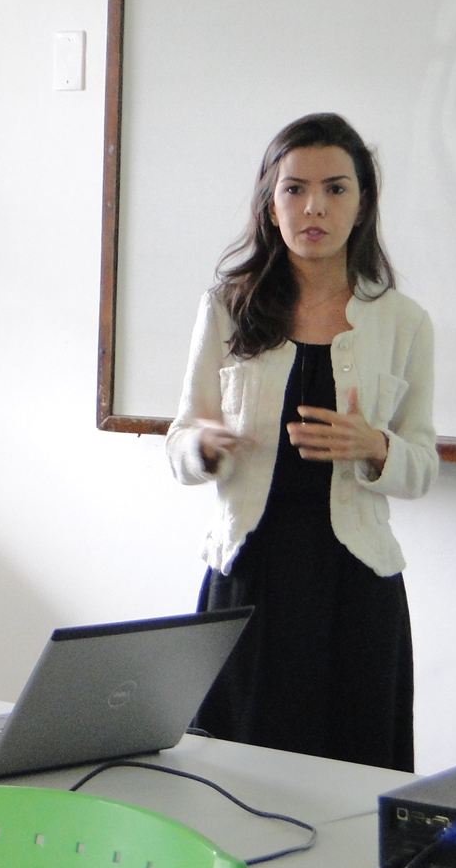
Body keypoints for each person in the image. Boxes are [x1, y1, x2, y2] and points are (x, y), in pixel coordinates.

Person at [165, 113, 437, 772]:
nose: (314, 206)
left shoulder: (404, 323)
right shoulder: (227, 306)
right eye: (295, 189)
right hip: (250, 576)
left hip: (356, 585)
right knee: (236, 776)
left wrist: (375, 446)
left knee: (354, 776)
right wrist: (204, 447)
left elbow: (423, 465)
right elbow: (179, 443)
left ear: (362, 203)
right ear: (271, 203)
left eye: (336, 189)